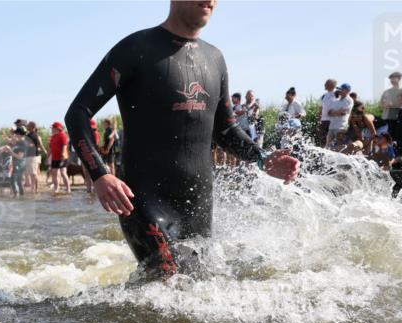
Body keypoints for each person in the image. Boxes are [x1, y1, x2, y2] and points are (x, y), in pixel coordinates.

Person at [64, 0, 299, 280]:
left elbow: (224, 131)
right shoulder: (136, 48)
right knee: (167, 278)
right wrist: (100, 175)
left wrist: (262, 158)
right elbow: (78, 113)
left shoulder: (215, 58)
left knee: (199, 288)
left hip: (198, 200)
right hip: (143, 199)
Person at [325, 83, 354, 149]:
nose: (339, 90)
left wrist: (334, 113)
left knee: (339, 145)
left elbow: (343, 112)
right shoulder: (337, 100)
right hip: (332, 125)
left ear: (347, 91)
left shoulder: (349, 100)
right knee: (328, 145)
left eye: (341, 89)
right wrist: (336, 112)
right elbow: (329, 112)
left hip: (341, 126)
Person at [379, 72, 402, 139]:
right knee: (383, 138)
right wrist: (384, 105)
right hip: (385, 118)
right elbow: (381, 104)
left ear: (399, 79)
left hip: (395, 118)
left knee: (393, 138)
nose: (392, 80)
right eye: (391, 79)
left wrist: (392, 104)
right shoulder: (386, 91)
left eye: (394, 78)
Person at [48, 121, 71, 194]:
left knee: (63, 173)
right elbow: (51, 148)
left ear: (57, 128)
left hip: (62, 157)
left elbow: (65, 145)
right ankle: (56, 188)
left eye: (53, 128)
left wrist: (63, 154)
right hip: (54, 158)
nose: (52, 129)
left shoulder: (63, 135)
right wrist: (47, 157)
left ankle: (68, 189)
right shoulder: (53, 137)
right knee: (54, 172)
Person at [317, 78, 338, 148]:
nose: (324, 85)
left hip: (333, 121)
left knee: (332, 140)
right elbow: (321, 108)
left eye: (326, 83)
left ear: (331, 85)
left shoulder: (337, 93)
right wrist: (319, 118)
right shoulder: (324, 95)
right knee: (322, 139)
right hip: (324, 120)